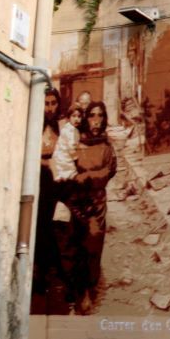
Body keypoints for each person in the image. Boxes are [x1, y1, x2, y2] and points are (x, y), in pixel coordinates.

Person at [56, 100, 117, 314]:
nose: (96, 121)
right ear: (85, 118)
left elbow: (109, 172)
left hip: (97, 204)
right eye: (92, 115)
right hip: (77, 203)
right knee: (76, 248)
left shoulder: (107, 145)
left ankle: (90, 289)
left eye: (101, 116)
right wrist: (78, 180)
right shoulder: (77, 141)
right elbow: (67, 169)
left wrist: (87, 177)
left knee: (94, 245)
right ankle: (79, 292)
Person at [33, 88, 64, 295]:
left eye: (53, 103)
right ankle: (42, 271)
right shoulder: (35, 126)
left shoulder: (61, 126)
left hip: (58, 181)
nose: (50, 107)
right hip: (41, 181)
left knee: (57, 223)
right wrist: (47, 161)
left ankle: (56, 266)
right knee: (41, 224)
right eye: (46, 103)